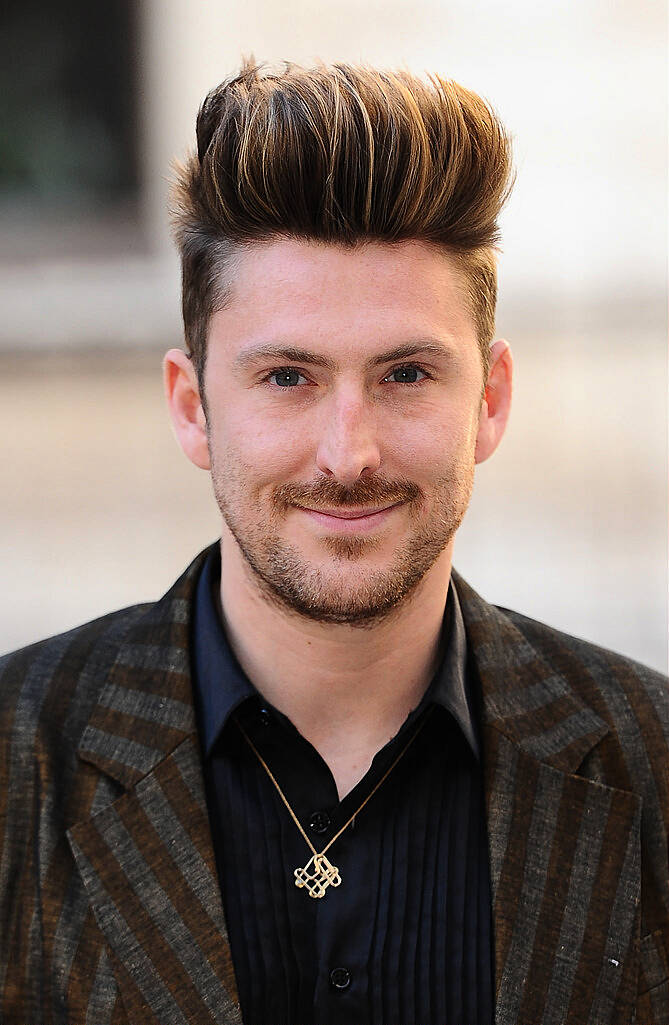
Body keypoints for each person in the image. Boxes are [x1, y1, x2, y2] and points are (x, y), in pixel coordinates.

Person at [0, 60, 667, 1025]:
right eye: (285, 377)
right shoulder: (15, 764)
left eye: (404, 374)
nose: (347, 454)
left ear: (489, 399)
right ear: (193, 409)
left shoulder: (649, 767)